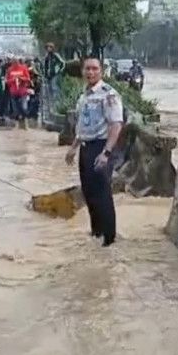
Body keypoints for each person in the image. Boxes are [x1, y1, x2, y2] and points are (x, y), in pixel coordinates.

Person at [65, 57, 124, 247]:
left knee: (102, 194)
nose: (90, 72)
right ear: (82, 71)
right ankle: (96, 234)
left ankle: (109, 240)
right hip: (86, 148)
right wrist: (73, 148)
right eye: (87, 69)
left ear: (101, 71)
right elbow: (82, 126)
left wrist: (106, 153)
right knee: (89, 193)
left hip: (102, 147)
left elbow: (116, 125)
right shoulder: (84, 97)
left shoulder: (108, 95)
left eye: (94, 69)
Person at [5, 57, 31, 126]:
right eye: (13, 62)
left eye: (16, 62)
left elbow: (28, 79)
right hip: (13, 91)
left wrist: (21, 78)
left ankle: (25, 122)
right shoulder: (9, 70)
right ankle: (17, 124)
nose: (15, 63)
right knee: (15, 108)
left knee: (24, 107)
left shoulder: (23, 68)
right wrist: (13, 80)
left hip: (23, 91)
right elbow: (7, 81)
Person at [43, 42, 65, 117]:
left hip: (55, 75)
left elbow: (62, 63)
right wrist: (45, 75)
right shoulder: (46, 57)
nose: (49, 49)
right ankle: (52, 107)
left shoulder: (56, 56)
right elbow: (45, 67)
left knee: (55, 89)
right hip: (48, 76)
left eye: (50, 47)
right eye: (47, 47)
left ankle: (57, 106)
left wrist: (59, 71)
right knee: (50, 92)